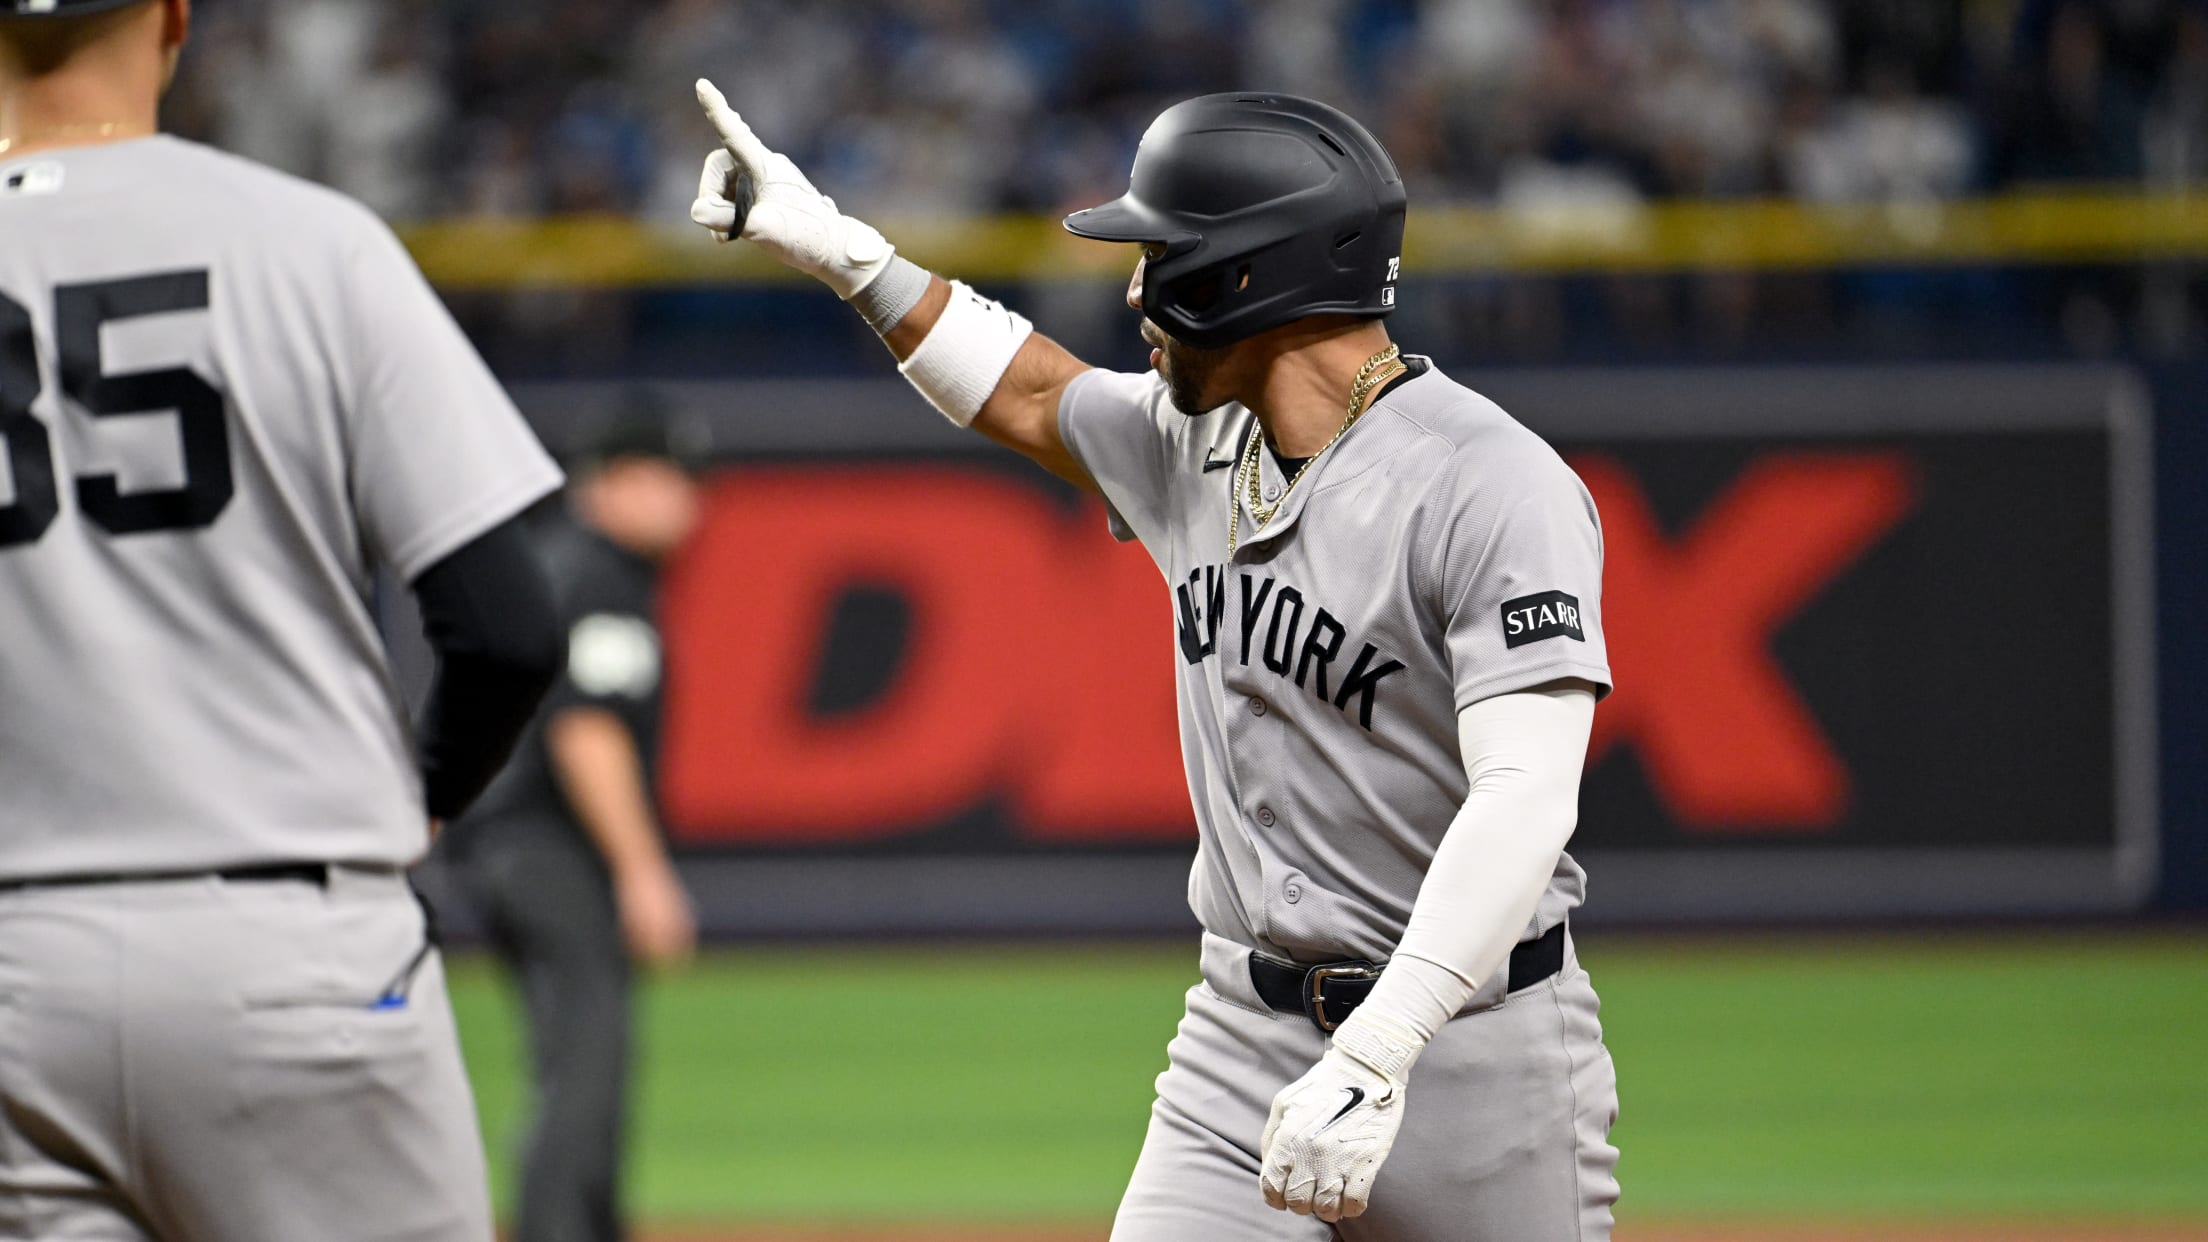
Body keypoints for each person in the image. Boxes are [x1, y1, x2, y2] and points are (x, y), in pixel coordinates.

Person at [689, 84, 1620, 1240]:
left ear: (1248, 277)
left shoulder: (1493, 485)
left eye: (1161, 257)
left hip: (1476, 1051)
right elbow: (1031, 391)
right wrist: (848, 256)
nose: (1135, 289)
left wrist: (1383, 1046)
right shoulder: (1199, 443)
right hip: (1243, 1036)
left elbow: (1527, 796)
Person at [0, 2, 567, 1240]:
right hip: (283, 941)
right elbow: (506, 626)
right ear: (173, 17)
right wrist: (424, 791)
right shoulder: (306, 242)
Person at [442, 412, 702, 1242]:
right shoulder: (599, 573)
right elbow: (584, 730)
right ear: (615, 480)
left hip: (507, 843)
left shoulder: (557, 562)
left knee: (583, 1054)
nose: (690, 500)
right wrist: (643, 871)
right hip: (546, 845)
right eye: (671, 478)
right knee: (586, 1063)